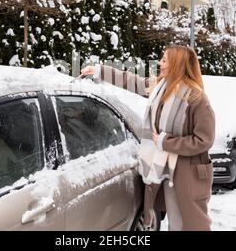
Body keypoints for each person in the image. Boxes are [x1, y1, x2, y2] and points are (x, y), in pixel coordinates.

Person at [80, 45, 215, 231]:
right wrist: (98, 70)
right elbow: (130, 80)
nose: (160, 62)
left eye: (165, 60)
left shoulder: (196, 99)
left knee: (193, 225)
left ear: (177, 64)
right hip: (165, 168)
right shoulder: (162, 87)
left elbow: (204, 140)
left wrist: (165, 142)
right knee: (176, 223)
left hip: (188, 172)